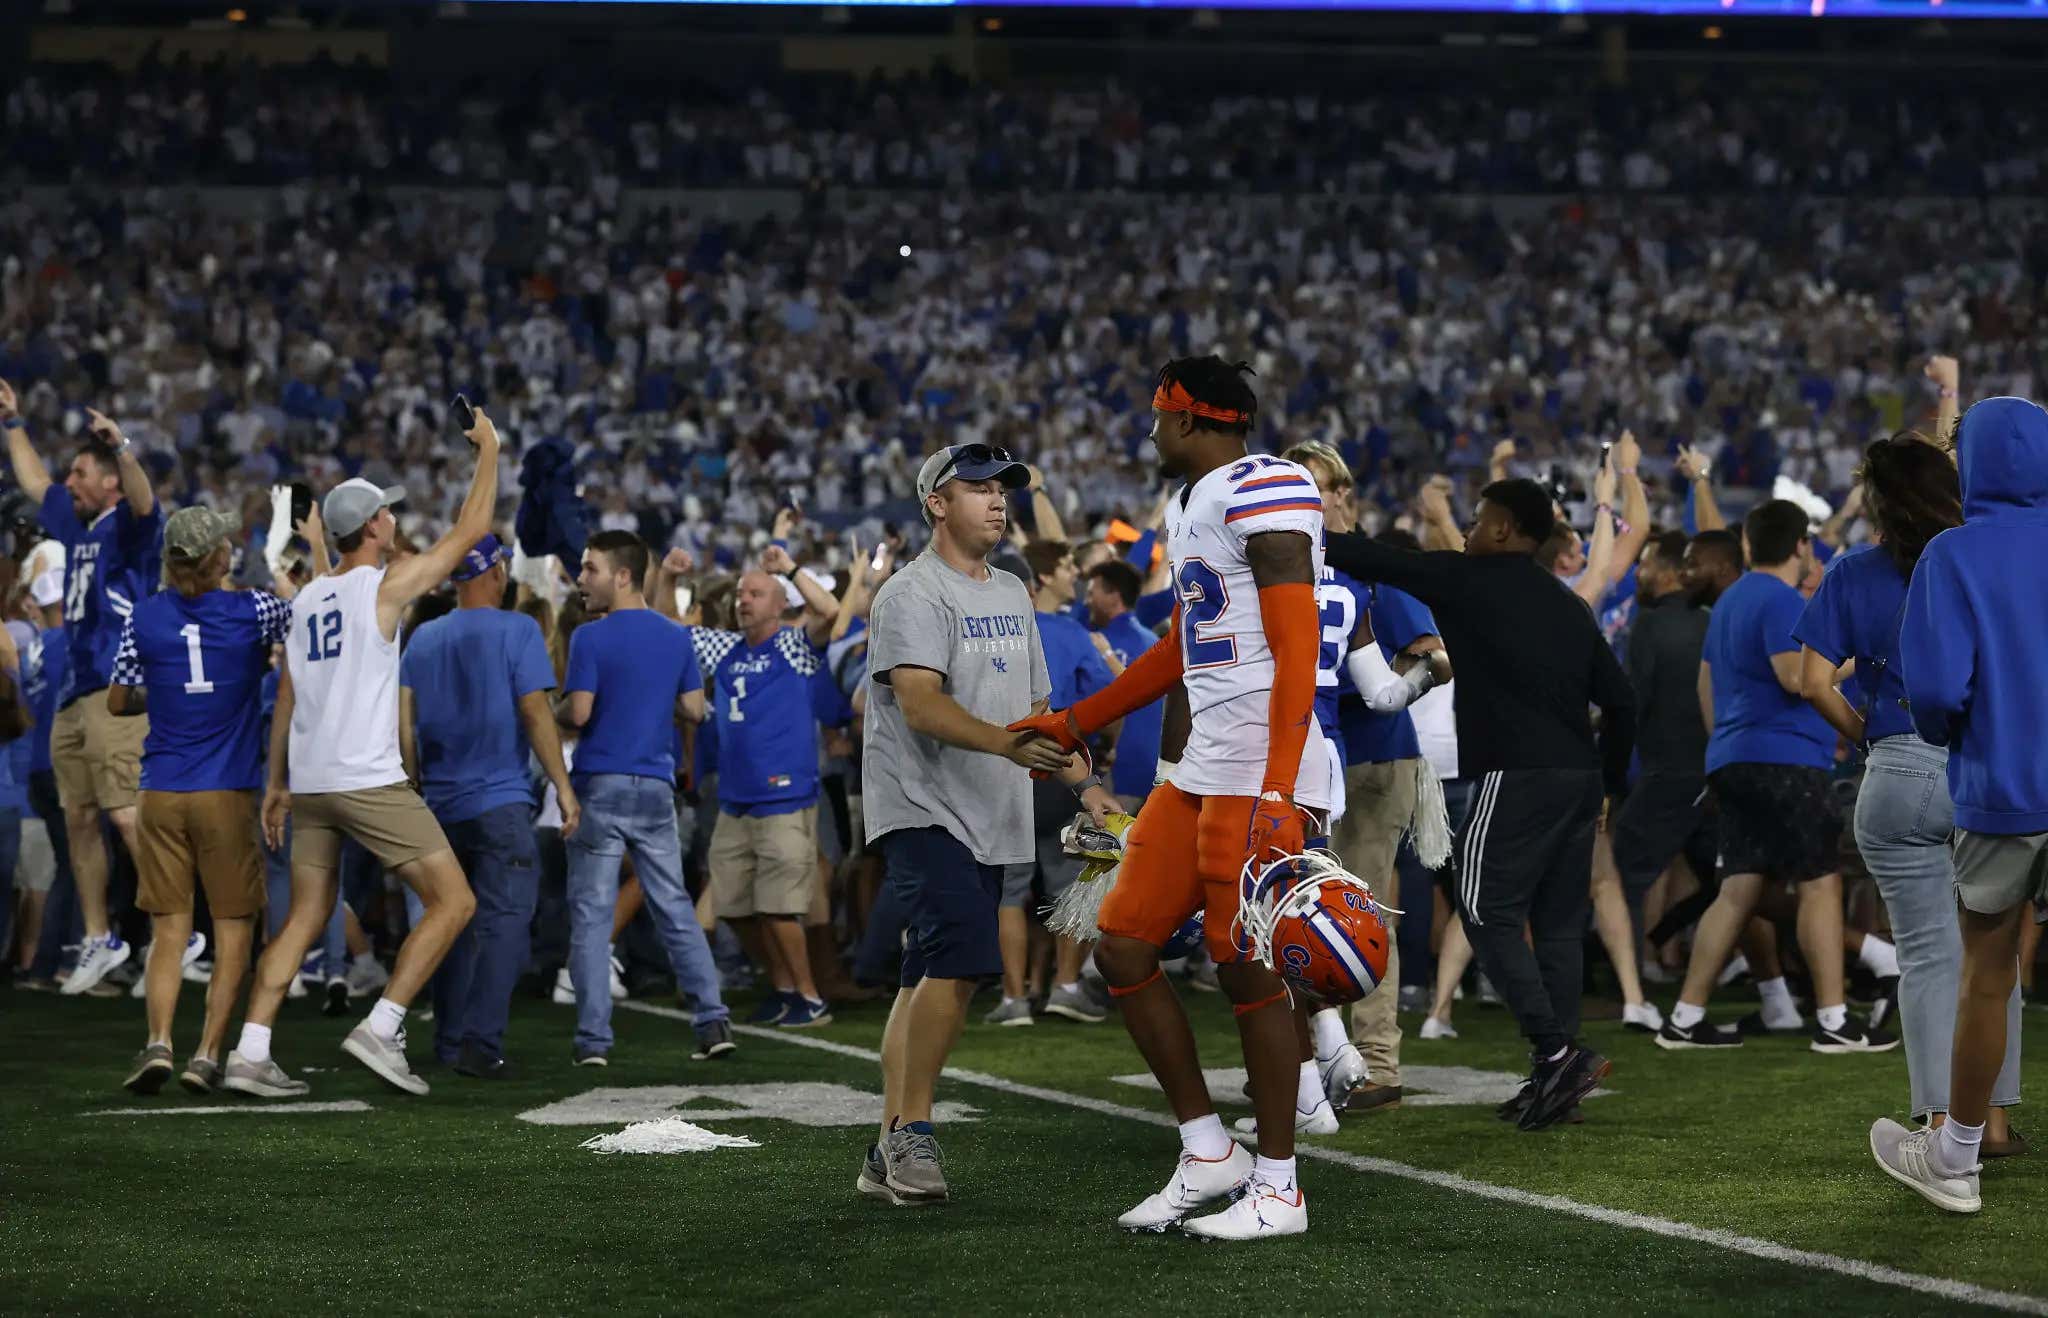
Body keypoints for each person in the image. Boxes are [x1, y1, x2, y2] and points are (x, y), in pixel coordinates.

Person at [1012, 357, 1334, 1239]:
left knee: (1245, 965)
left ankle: (1280, 1186)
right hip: (1202, 767)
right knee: (1122, 945)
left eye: (1159, 414)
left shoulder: (1267, 486)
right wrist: (1077, 719)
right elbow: (1183, 646)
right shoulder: (1190, 502)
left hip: (1261, 768)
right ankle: (1207, 1149)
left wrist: (1278, 786)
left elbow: (1298, 646)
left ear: (1190, 418)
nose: (1151, 429)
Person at [1324, 475, 1635, 1132]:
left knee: (1484, 912)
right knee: (1557, 926)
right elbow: (1622, 701)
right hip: (1579, 778)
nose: (1467, 529)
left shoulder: (1469, 578)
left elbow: (1372, 558)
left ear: (1503, 529)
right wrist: (1610, 782)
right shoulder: (1566, 603)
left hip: (1515, 775)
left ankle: (1555, 1053)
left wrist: (1288, 524)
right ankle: (1559, 1080)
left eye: (1477, 517)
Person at [857, 442, 1112, 1208]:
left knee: (926, 974)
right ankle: (913, 1133)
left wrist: (1087, 788)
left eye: (1003, 489)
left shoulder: (1010, 591)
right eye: (978, 488)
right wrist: (1008, 745)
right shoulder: (910, 592)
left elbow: (1038, 714)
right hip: (921, 807)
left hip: (990, 812)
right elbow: (920, 705)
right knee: (963, 956)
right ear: (937, 503)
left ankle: (885, 1146)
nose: (998, 500)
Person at [226, 405, 500, 1099]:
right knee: (454, 901)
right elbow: (471, 531)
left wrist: (276, 784)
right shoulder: (384, 585)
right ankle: (383, 1025)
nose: (394, 519)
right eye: (387, 513)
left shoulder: (307, 597)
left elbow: (287, 695)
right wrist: (490, 451)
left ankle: (250, 1050)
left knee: (306, 916)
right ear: (374, 527)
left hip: (313, 781)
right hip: (366, 779)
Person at [1801, 432, 2013, 1155]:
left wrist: (1869, 735)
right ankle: (1993, 1122)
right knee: (1995, 957)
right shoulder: (1984, 558)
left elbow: (1812, 681)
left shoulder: (1853, 571)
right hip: (1986, 767)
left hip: (1898, 767)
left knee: (1927, 955)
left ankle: (1942, 1126)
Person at [1876, 396, 2048, 1213]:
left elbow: (1938, 691)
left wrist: (1958, 729)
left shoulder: (1953, 553)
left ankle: (1955, 1157)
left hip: (2001, 790)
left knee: (1986, 973)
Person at [1655, 498, 1895, 1055]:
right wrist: (1860, 658)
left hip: (1733, 756)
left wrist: (1727, 747)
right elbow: (1795, 677)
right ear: (1800, 546)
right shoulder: (1781, 599)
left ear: (1747, 544)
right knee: (1819, 882)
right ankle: (1834, 1019)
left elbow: (1705, 686)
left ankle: (1685, 1018)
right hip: (1785, 759)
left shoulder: (1731, 600)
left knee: (1737, 889)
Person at [1287, 439, 1448, 1115]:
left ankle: (1377, 1061)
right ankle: (1316, 1058)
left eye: (1321, 487)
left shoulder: (1370, 568)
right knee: (1299, 912)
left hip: (1372, 755)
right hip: (1314, 755)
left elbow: (1432, 654)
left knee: (1360, 911)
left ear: (1343, 496)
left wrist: (1353, 682)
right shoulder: (1290, 562)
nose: (1312, 499)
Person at [108, 507, 286, 1095]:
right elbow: (302, 622)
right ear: (220, 557)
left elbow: (117, 700)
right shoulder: (255, 610)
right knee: (234, 927)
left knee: (168, 929)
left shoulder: (143, 617)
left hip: (160, 789)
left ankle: (159, 1041)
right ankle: (207, 1054)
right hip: (224, 791)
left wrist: (164, 696)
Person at [1, 384, 163, 995]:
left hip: (115, 680)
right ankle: (98, 936)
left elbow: (145, 501)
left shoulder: (128, 525)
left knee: (125, 813)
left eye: (80, 472)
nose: (69, 480)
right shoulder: (74, 522)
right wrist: (13, 423)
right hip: (75, 686)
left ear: (108, 481)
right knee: (80, 818)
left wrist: (121, 446)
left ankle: (172, 920)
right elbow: (37, 483)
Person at [399, 533, 579, 1077]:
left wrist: (414, 783)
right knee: (504, 923)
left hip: (439, 803)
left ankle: (450, 1039)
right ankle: (481, 1042)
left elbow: (404, 723)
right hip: (500, 801)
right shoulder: (518, 630)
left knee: (450, 920)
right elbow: (536, 712)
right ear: (496, 573)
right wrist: (563, 785)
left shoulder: (424, 636)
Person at [558, 529, 731, 1065]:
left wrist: (549, 709)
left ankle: (593, 1040)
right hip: (655, 787)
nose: (581, 579)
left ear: (623, 575)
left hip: (601, 784)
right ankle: (712, 1021)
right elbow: (696, 710)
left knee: (593, 917)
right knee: (674, 907)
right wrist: (655, 701)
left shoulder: (589, 638)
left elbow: (579, 712)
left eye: (590, 569)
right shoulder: (675, 637)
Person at [674, 541, 841, 1029]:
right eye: (741, 593)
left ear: (780, 603)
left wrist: (789, 566)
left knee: (779, 909)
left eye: (756, 593)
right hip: (735, 801)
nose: (743, 600)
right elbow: (667, 632)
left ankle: (810, 997)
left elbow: (830, 610)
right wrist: (666, 580)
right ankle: (784, 987)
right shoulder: (725, 647)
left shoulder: (793, 646)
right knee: (733, 906)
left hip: (784, 798)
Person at [988, 538, 1117, 1028]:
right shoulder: (1067, 631)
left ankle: (1014, 998)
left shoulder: (985, 635)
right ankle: (1065, 986)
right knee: (1071, 884)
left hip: (1001, 770)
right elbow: (1106, 702)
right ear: (1034, 582)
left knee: (1010, 892)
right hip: (1060, 768)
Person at [1610, 531, 1733, 959]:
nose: (1637, 573)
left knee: (1619, 877)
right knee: (1732, 881)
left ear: (1669, 572)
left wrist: (1610, 775)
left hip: (1667, 776)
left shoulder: (1650, 624)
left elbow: (1632, 704)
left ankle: (1628, 977)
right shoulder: (1712, 622)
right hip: (1714, 775)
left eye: (1644, 563)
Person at [1084, 561, 1163, 809]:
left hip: (1117, 774)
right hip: (1150, 770)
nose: (1087, 601)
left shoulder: (1100, 643)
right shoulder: (1152, 640)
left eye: (1092, 593)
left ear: (1113, 596)